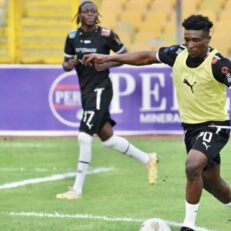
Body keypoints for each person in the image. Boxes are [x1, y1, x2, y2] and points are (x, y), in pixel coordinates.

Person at [83, 14, 231, 231]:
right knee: (211, 181)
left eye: (196, 40)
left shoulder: (219, 64)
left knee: (192, 166)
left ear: (207, 39)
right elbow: (146, 57)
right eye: (187, 39)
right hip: (191, 129)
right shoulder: (177, 54)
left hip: (216, 127)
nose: (191, 44)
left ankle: (187, 228)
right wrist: (109, 58)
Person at [56, 1, 158, 200]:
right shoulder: (72, 37)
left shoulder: (106, 35)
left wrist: (108, 62)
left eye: (93, 11)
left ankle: (76, 189)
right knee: (108, 139)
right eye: (86, 11)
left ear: (97, 14)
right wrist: (70, 63)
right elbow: (65, 65)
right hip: (86, 91)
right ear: (79, 14)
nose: (90, 14)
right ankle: (148, 159)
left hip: (101, 89)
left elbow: (126, 56)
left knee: (84, 136)